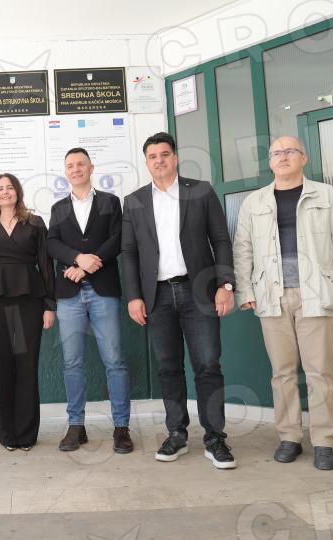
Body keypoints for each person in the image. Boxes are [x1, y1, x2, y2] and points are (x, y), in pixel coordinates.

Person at [233, 136, 333, 471]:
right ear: (270, 162)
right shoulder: (254, 202)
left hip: (317, 294)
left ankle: (323, 441)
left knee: (320, 372)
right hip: (272, 295)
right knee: (282, 373)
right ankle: (289, 437)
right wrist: (245, 290)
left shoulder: (328, 196)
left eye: (290, 151)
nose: (283, 157)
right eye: (276, 153)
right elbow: (242, 249)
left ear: (303, 157)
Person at [122, 132, 237, 469]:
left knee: (208, 365)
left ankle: (215, 438)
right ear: (146, 162)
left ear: (175, 157)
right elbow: (129, 252)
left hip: (198, 291)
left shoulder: (200, 191)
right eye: (152, 156)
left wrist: (225, 285)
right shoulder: (134, 201)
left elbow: (221, 239)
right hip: (156, 296)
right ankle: (176, 433)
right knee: (168, 367)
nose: (159, 160)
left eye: (164, 154)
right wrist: (134, 296)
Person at [48, 148, 132, 454]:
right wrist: (76, 259)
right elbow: (52, 243)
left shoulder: (110, 202)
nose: (76, 169)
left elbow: (117, 238)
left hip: (103, 291)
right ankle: (76, 426)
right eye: (70, 165)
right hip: (69, 294)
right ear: (65, 172)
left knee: (115, 361)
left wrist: (88, 264)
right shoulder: (58, 208)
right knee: (72, 362)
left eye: (80, 164)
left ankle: (121, 428)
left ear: (91, 167)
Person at [0, 173, 56, 451]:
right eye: (0, 189)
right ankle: (8, 434)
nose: (5, 192)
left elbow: (46, 265)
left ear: (17, 191)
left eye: (9, 188)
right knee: (3, 367)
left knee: (26, 365)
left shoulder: (35, 223)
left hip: (28, 303)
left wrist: (49, 305)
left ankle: (27, 434)